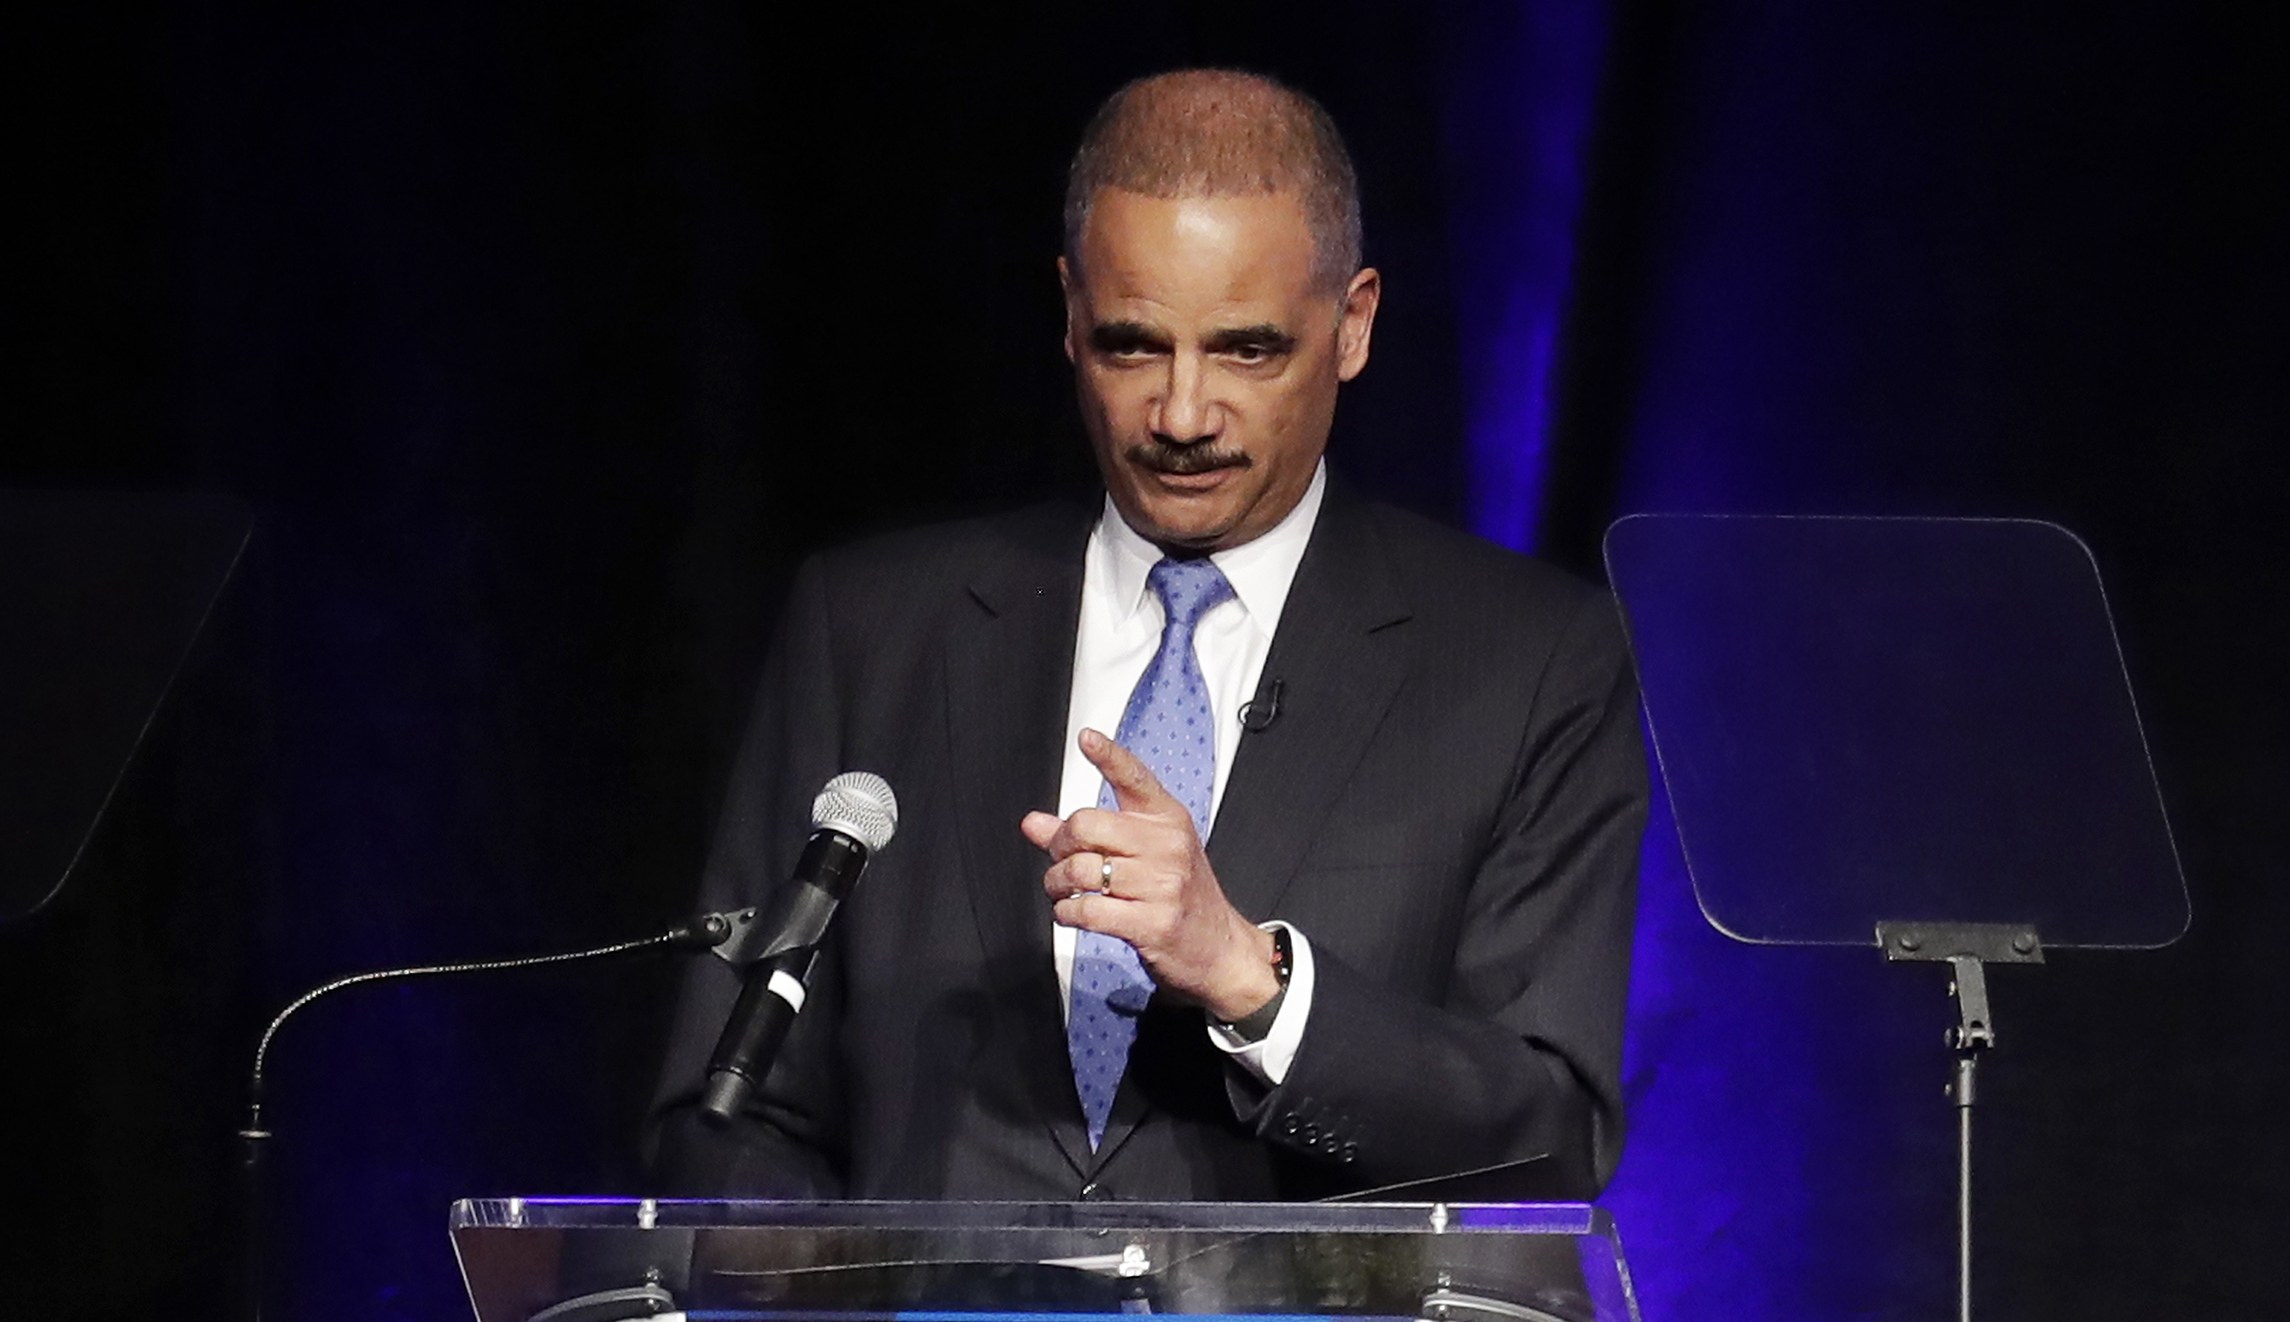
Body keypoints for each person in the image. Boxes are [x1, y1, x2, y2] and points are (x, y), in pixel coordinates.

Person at [647, 69, 1645, 1202]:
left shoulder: (1528, 661)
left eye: (1245, 350)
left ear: (1353, 324)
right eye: (1131, 345)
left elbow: (1546, 1143)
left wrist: (1250, 976)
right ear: (1069, 315)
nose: (1179, 414)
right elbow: (726, 1109)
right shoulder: (869, 629)